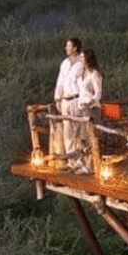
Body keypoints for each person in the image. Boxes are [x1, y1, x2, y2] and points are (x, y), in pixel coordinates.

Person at [49, 37, 82, 170]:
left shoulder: (81, 62)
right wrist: (57, 98)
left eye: (69, 46)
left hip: (77, 99)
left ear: (75, 48)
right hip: (65, 100)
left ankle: (80, 162)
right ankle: (71, 162)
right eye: (66, 46)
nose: (66, 48)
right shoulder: (64, 63)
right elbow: (60, 81)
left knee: (78, 132)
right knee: (67, 132)